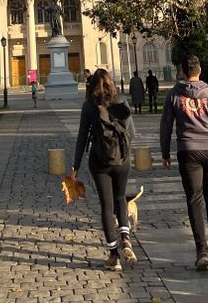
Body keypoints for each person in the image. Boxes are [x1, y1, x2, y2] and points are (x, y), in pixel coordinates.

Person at [160, 54, 208, 272]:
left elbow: (166, 126)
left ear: (182, 71)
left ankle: (201, 250)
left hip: (187, 150)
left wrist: (165, 153)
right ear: (200, 70)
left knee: (194, 199)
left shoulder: (174, 95)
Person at [69, 68, 137, 272]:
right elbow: (132, 132)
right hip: (122, 161)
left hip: (99, 162)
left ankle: (114, 255)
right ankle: (126, 239)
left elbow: (82, 137)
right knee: (120, 198)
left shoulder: (89, 106)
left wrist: (75, 167)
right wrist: (123, 153)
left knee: (107, 206)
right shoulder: (121, 102)